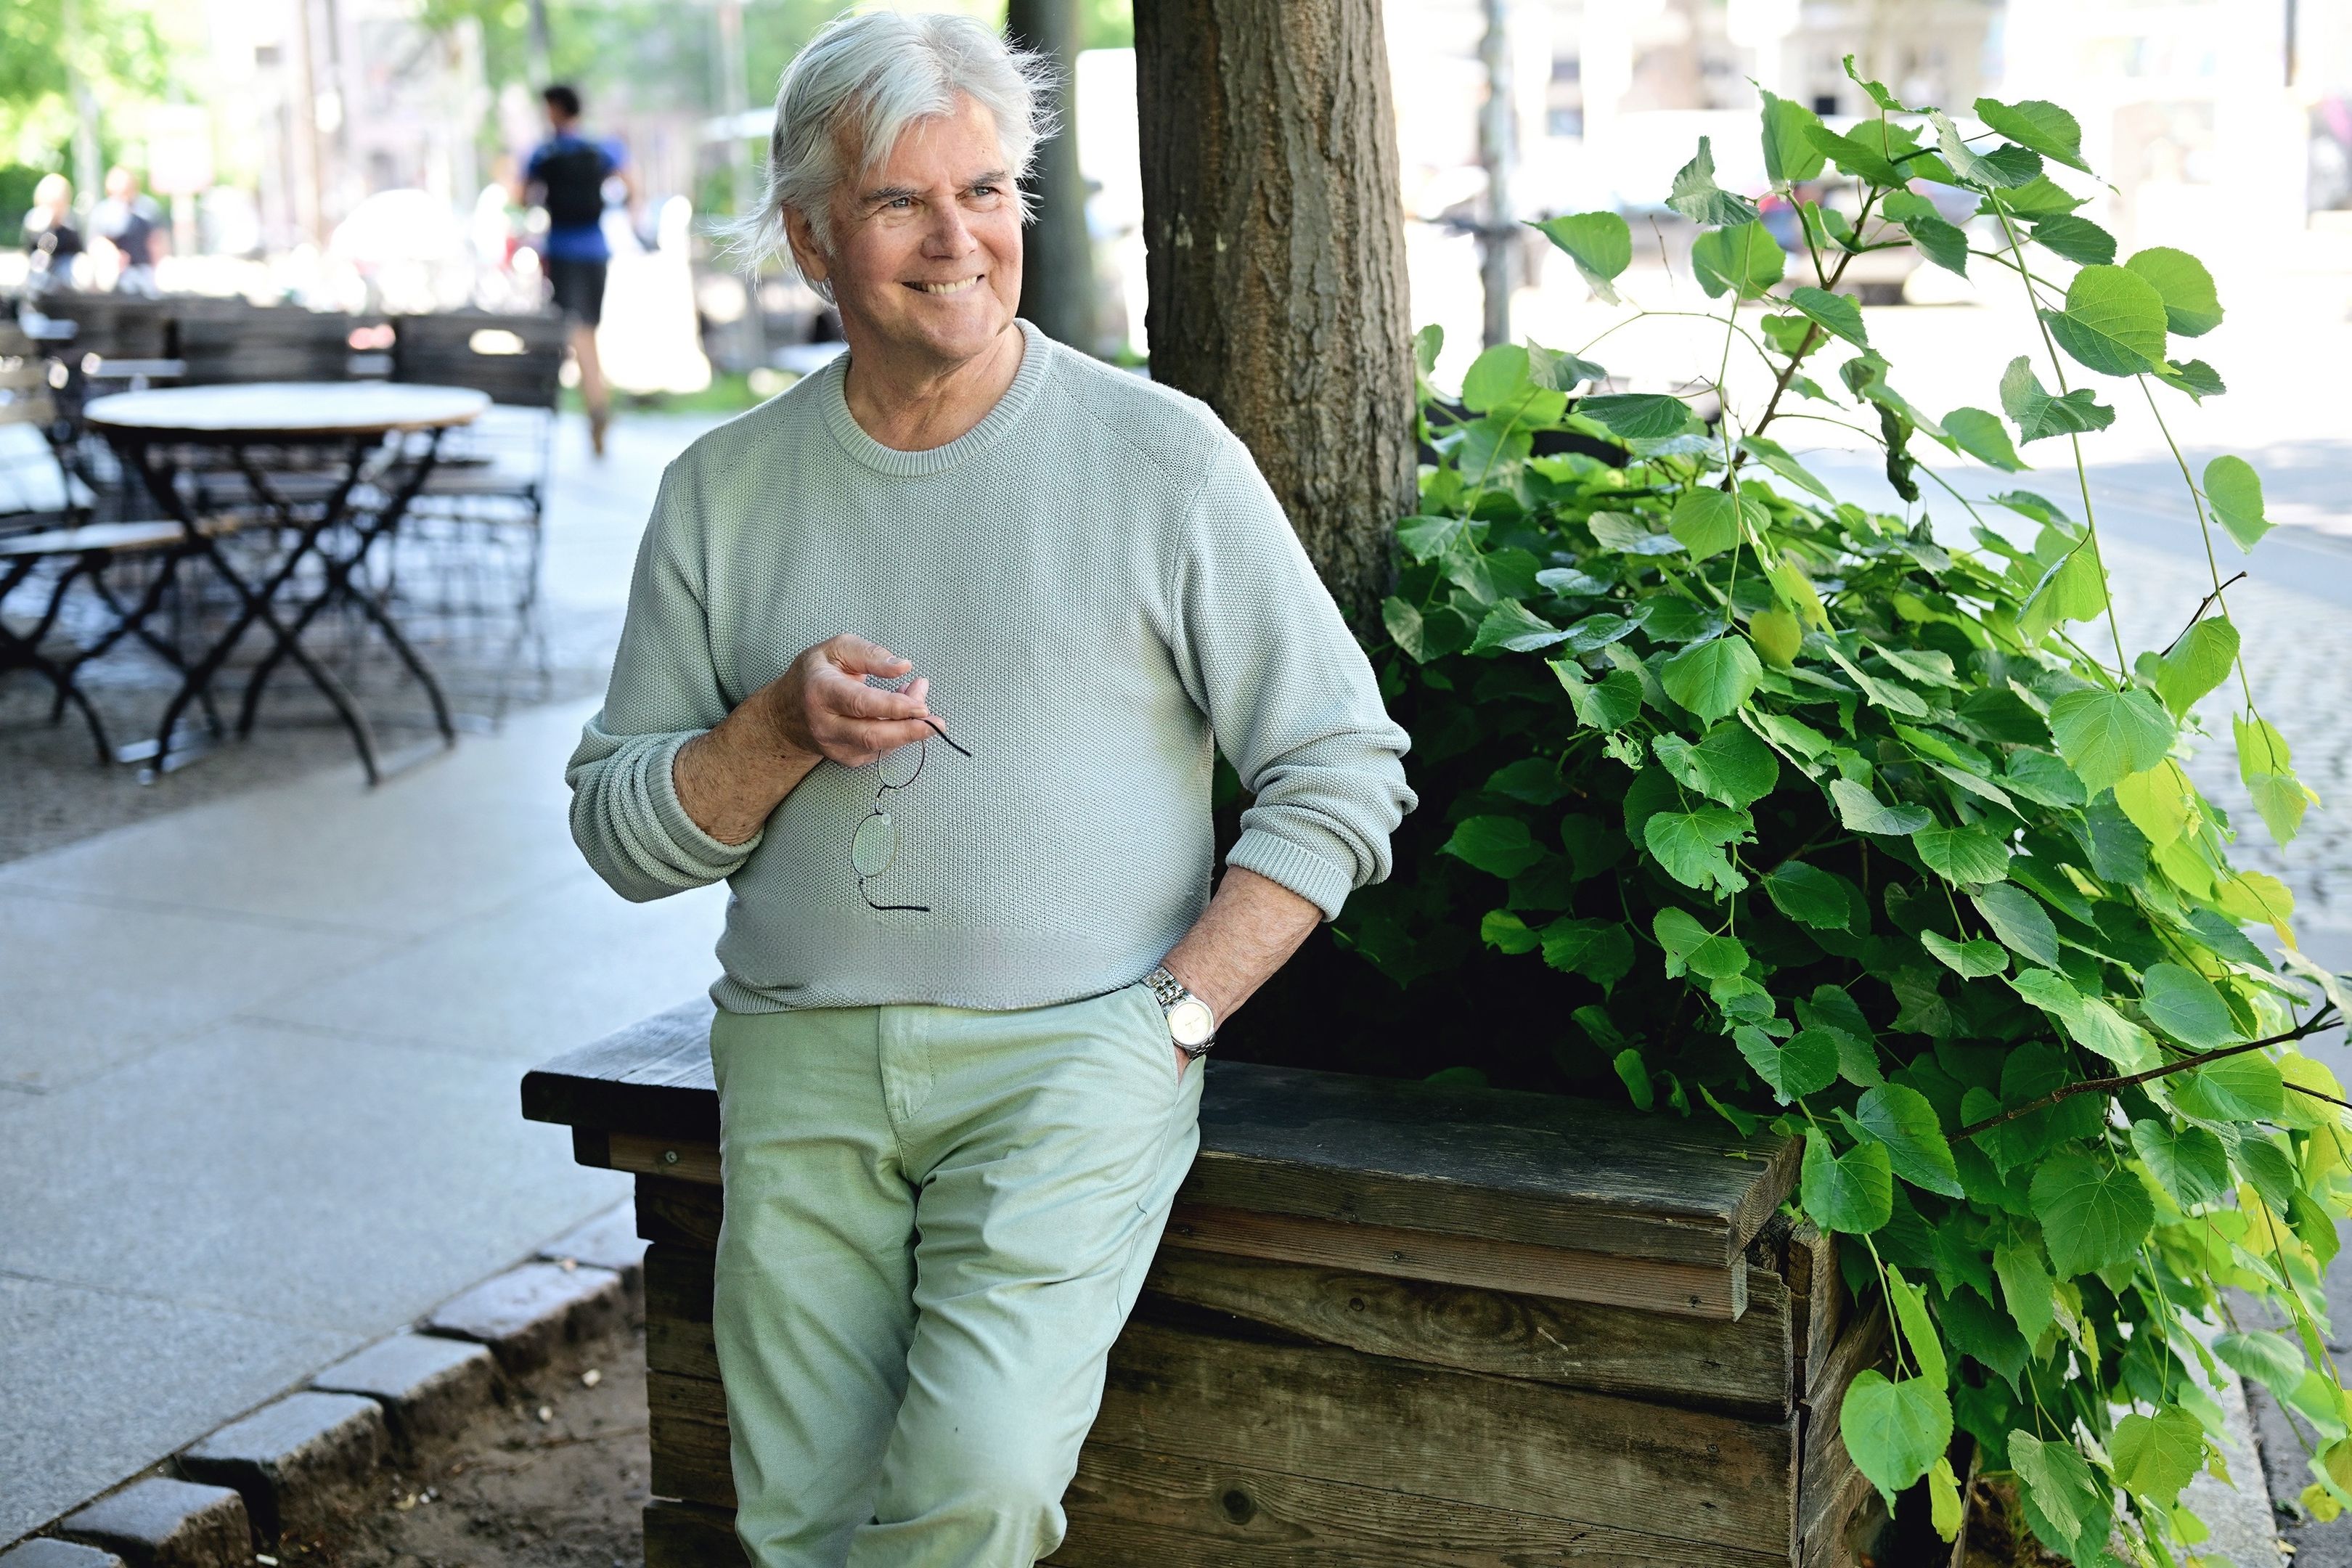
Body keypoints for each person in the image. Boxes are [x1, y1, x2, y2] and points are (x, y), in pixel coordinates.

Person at [563, 12, 1415, 1565]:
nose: (957, 238)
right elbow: (619, 836)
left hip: (1073, 1063)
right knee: (800, 1517)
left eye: (986, 192)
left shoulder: (1162, 459)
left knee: (981, 1482)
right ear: (813, 241)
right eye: (900, 201)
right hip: (799, 1055)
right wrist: (775, 730)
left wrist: (1171, 1020)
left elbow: (1342, 765)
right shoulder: (720, 492)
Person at [514, 83, 639, 456]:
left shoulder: (543, 153)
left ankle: (596, 403)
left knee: (577, 330)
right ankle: (597, 401)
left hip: (562, 251)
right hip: (597, 249)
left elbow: (520, 197)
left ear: (554, 110)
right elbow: (632, 186)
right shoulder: (601, 149)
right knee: (587, 329)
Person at [88, 166, 163, 295]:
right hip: (113, 270)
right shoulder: (102, 213)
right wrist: (112, 256)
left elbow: (157, 242)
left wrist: (157, 272)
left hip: (142, 269)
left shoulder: (147, 210)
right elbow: (95, 244)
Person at [20, 173, 83, 295]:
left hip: (67, 268)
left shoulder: (70, 220)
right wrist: (48, 228)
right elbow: (41, 253)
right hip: (43, 269)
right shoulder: (35, 221)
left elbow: (78, 249)